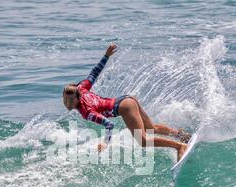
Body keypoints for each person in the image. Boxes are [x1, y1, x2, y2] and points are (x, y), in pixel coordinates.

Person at [62, 43, 191, 161]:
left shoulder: (87, 112)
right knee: (151, 128)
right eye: (66, 100)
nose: (68, 104)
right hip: (127, 100)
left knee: (143, 141)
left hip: (124, 107)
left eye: (71, 101)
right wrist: (106, 55)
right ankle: (180, 135)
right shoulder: (81, 88)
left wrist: (106, 142)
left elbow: (108, 124)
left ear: (78, 98)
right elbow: (93, 74)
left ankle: (179, 146)